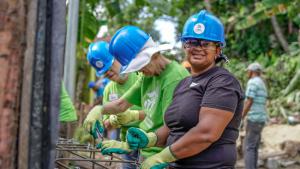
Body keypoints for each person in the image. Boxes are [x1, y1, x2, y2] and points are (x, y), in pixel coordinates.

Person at [125, 10, 245, 169]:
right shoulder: (184, 83)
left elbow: (206, 133)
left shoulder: (223, 82)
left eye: (205, 43)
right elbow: (173, 128)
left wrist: (162, 157)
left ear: (217, 50)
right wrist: (150, 139)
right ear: (184, 46)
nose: (198, 48)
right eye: (192, 42)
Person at [98, 25, 189, 159]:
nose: (138, 71)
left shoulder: (173, 78)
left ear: (155, 54)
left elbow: (171, 128)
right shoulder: (147, 76)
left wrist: (129, 146)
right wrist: (97, 111)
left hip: (161, 155)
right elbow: (121, 104)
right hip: (146, 151)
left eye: (140, 65)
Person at [84, 41, 144, 169]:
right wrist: (112, 120)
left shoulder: (140, 76)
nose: (109, 73)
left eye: (110, 68)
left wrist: (132, 116)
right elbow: (107, 124)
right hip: (127, 145)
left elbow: (157, 112)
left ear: (118, 58)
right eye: (105, 73)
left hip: (149, 141)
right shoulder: (108, 89)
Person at [242, 62, 268, 169]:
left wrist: (242, 115)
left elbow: (249, 100)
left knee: (249, 147)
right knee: (254, 147)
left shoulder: (252, 82)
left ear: (252, 72)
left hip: (254, 119)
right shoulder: (262, 83)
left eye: (248, 71)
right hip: (261, 119)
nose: (247, 73)